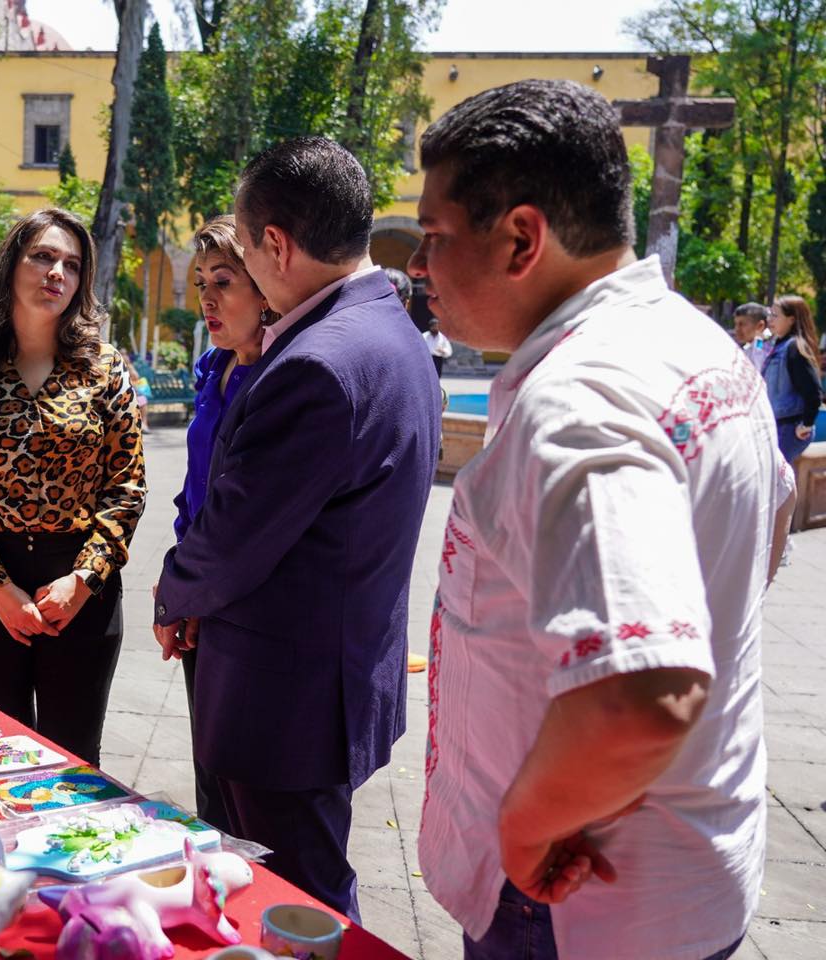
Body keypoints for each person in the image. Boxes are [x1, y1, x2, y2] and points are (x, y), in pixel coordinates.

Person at [407, 80, 795, 960]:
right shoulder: (694, 344)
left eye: (434, 237)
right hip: (683, 877)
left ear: (521, 239)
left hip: (581, 901)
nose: (418, 267)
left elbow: (644, 693)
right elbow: (766, 525)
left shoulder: (581, 402)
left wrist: (528, 826)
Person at [152, 137, 440, 923]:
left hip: (285, 701)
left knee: (297, 900)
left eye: (244, 248)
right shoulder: (389, 330)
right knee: (302, 880)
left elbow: (235, 537)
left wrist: (171, 593)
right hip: (331, 679)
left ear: (274, 244)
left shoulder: (318, 363)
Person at [0, 207, 146, 767]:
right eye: (43, 256)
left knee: (74, 757)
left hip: (79, 589)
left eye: (72, 265)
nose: (57, 273)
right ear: (11, 265)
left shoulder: (105, 370)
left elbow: (127, 486)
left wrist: (83, 579)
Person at [168, 214, 277, 830]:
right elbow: (195, 491)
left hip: (246, 612)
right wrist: (180, 584)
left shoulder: (283, 378)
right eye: (201, 280)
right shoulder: (214, 369)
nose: (207, 298)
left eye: (225, 281)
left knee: (250, 801)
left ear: (265, 287)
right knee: (209, 782)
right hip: (196, 598)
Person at [763, 295, 821, 466]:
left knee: (773, 481)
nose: (769, 319)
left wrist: (806, 425)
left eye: (775, 315)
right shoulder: (779, 345)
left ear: (791, 319)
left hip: (788, 428)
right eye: (770, 314)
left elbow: (813, 392)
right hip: (777, 426)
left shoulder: (794, 347)